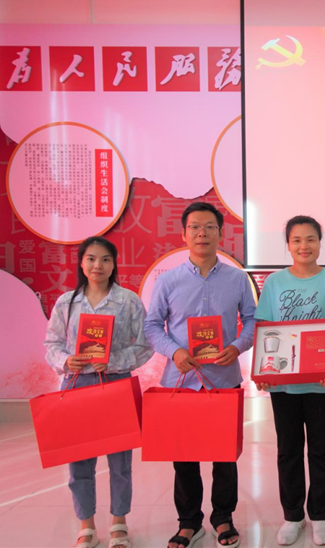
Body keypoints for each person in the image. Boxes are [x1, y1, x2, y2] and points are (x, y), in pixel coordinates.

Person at [143, 202, 256, 548]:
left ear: (221, 233)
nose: (202, 233)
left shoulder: (237, 279)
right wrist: (174, 351)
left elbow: (252, 320)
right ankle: (189, 522)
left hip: (224, 380)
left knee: (225, 457)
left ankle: (223, 518)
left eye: (209, 227)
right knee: (184, 457)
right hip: (181, 382)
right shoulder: (169, 280)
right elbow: (152, 325)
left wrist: (237, 346)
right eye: (194, 227)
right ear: (184, 234)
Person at [44, 236, 154, 548]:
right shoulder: (66, 303)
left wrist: (114, 361)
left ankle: (119, 522)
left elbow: (145, 345)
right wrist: (66, 360)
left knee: (120, 462)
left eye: (105, 259)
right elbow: (51, 344)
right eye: (91, 258)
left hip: (116, 384)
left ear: (114, 264)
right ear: (81, 263)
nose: (98, 265)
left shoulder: (128, 301)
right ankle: (87, 525)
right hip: (76, 385)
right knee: (79, 461)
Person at [253, 216, 325, 546]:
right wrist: (264, 371)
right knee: (288, 450)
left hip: (321, 382)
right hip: (283, 385)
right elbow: (265, 329)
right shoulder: (274, 282)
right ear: (288, 245)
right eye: (296, 240)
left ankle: (320, 515)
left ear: (320, 243)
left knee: (322, 450)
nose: (304, 246)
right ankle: (292, 515)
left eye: (310, 239)